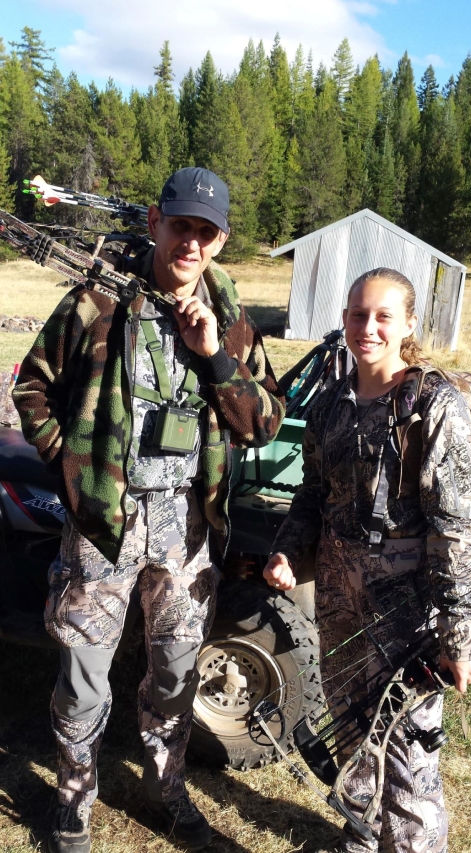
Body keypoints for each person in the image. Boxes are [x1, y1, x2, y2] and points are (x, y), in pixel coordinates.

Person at [13, 166, 285, 853]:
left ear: (219, 240)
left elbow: (265, 424)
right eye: (180, 226)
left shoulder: (231, 323)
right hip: (103, 529)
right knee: (83, 681)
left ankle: (169, 796)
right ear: (155, 223)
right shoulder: (98, 303)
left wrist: (216, 359)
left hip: (186, 537)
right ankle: (73, 808)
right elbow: (32, 389)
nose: (190, 243)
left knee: (175, 675)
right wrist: (75, 476)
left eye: (205, 231)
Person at [263, 268, 471, 853]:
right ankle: (360, 838)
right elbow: (312, 494)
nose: (369, 327)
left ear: (408, 323)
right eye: (358, 314)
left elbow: (455, 528)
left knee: (408, 752)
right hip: (337, 602)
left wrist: (459, 636)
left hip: (407, 613)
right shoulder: (333, 402)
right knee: (354, 735)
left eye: (384, 315)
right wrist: (289, 548)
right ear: (344, 319)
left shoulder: (434, 405)